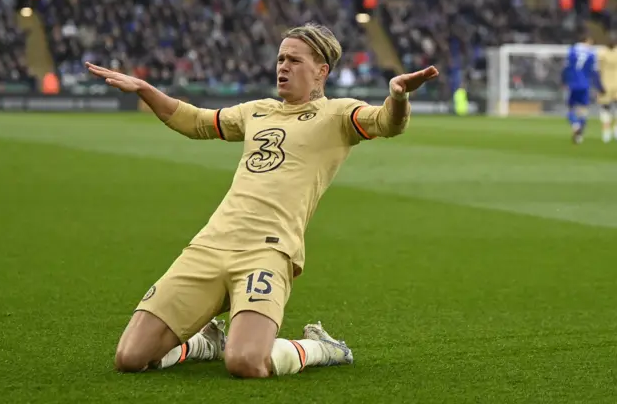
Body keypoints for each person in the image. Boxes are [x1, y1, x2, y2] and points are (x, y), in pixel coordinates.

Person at [86, 23, 438, 378]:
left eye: (294, 60)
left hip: (267, 251)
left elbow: (387, 123)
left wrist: (398, 97)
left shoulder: (339, 115)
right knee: (129, 358)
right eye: (280, 59)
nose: (282, 66)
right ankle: (205, 343)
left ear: (321, 71)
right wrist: (146, 89)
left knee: (246, 362)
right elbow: (197, 122)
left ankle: (321, 347)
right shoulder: (257, 111)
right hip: (210, 246)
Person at [561, 33, 604, 144]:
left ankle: (575, 125)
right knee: (583, 110)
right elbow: (595, 72)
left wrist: (563, 81)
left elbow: (565, 68)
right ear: (587, 40)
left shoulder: (572, 51)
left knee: (570, 108)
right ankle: (579, 135)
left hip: (572, 84)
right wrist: (599, 86)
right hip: (585, 85)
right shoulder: (591, 53)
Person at [597, 34, 617, 143]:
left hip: (607, 83)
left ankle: (609, 131)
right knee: (606, 108)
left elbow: (598, 70)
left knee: (606, 108)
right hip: (607, 83)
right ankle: (608, 130)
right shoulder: (603, 53)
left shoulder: (602, 52)